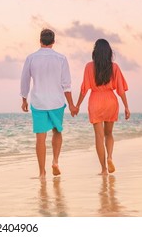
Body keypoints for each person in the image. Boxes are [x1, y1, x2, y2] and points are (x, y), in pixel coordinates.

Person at [20, 29, 77, 179]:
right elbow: (67, 84)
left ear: (40, 41)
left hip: (38, 102)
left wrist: (24, 98)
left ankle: (42, 173)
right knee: (57, 131)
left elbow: (24, 80)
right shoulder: (61, 59)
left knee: (40, 137)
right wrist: (71, 104)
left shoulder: (31, 58)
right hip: (57, 101)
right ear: (53, 42)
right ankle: (55, 161)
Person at [75, 38, 130, 175]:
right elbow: (121, 90)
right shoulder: (115, 67)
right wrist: (126, 107)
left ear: (95, 52)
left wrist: (77, 105)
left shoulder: (89, 67)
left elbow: (84, 89)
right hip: (111, 101)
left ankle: (104, 169)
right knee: (109, 134)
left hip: (96, 101)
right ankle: (110, 157)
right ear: (109, 52)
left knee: (99, 136)